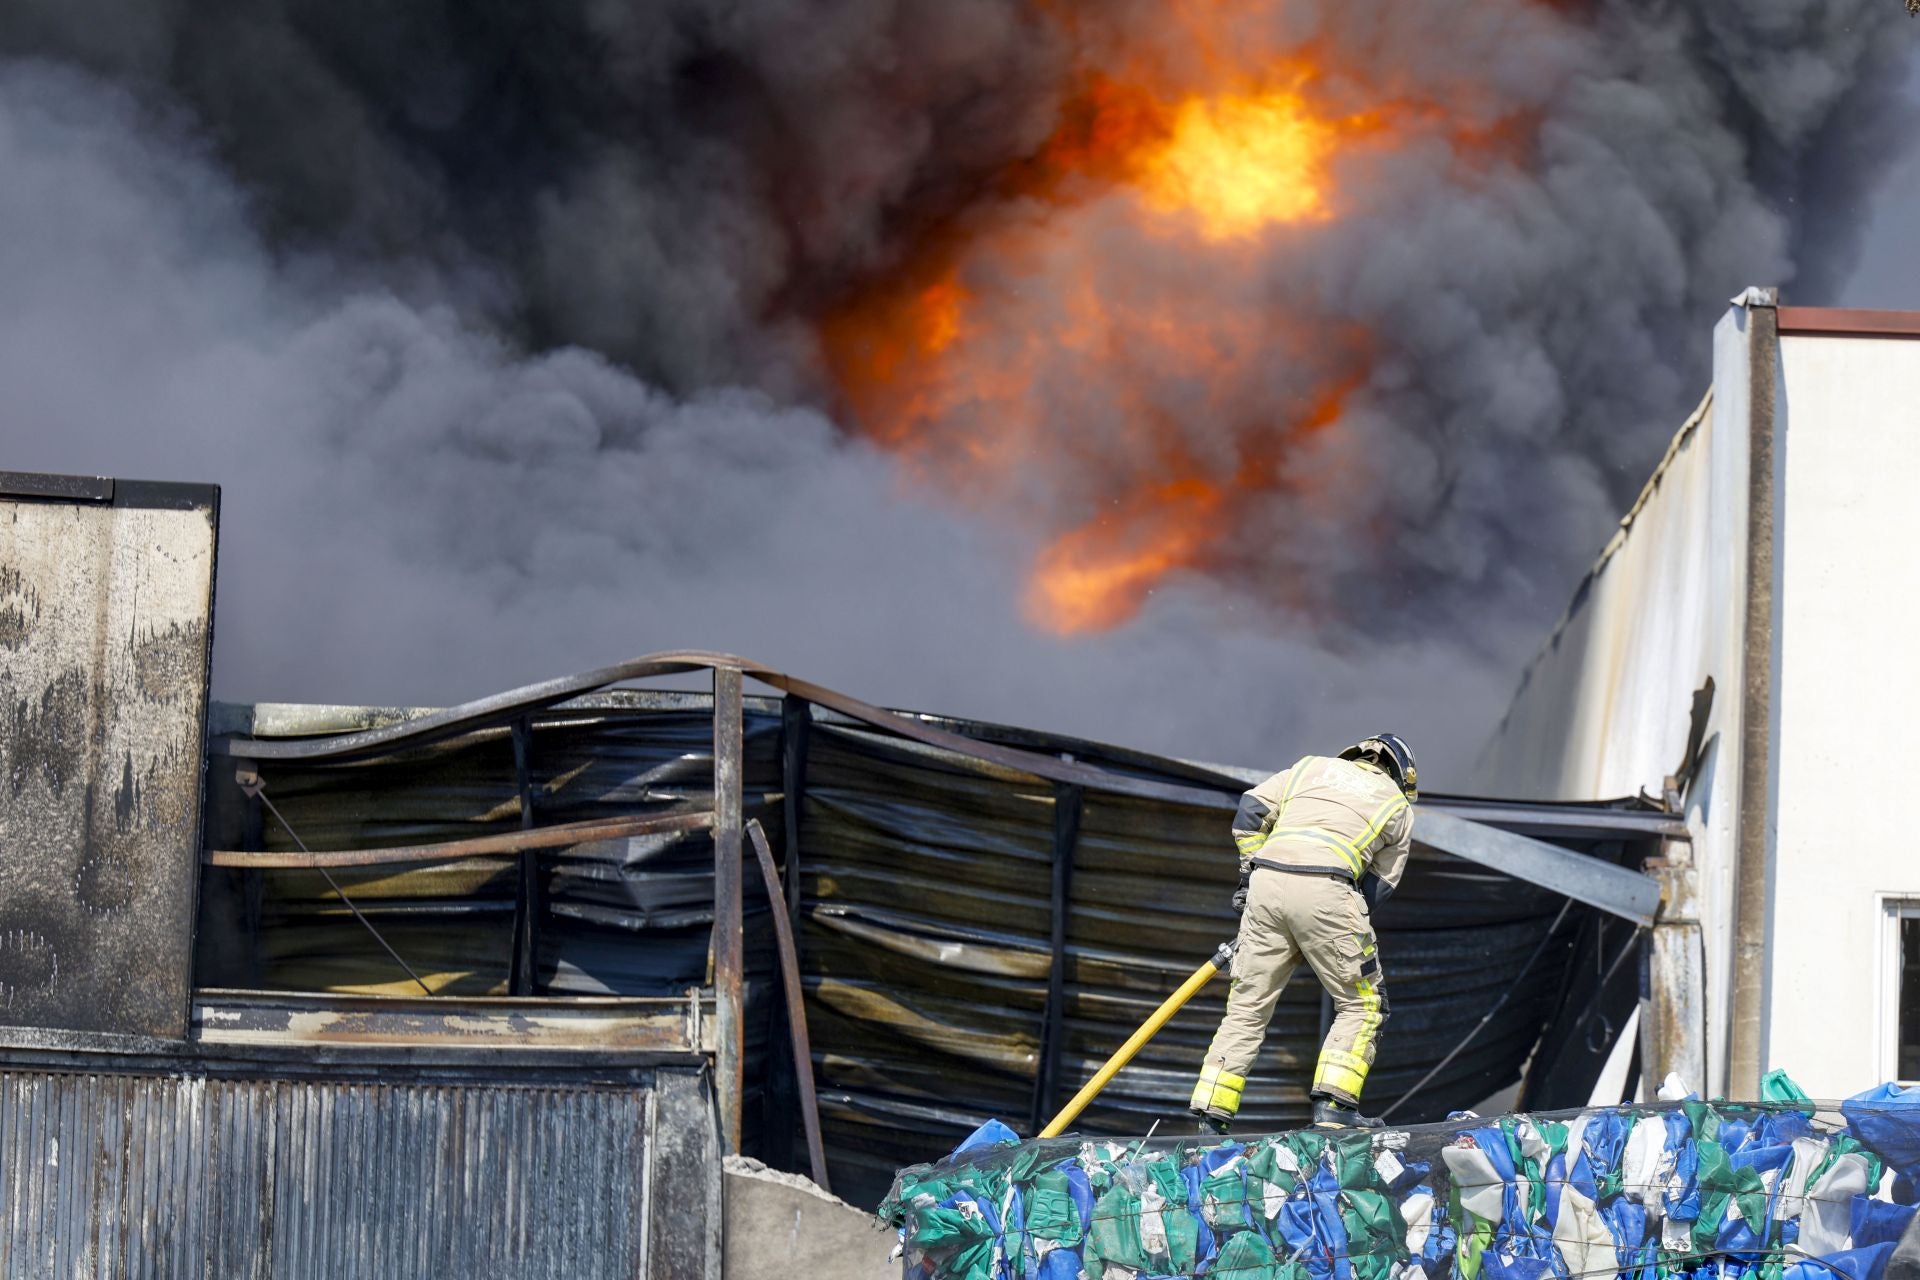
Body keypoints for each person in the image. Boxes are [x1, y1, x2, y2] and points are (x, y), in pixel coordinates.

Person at [1188, 734, 1417, 1133]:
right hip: (1329, 889)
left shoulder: (1309, 766)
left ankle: (1211, 1118)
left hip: (1266, 884)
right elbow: (1379, 886)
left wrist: (1250, 871)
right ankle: (1334, 1108)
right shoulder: (1397, 804)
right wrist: (1332, 927)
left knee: (1246, 1008)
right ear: (1400, 775)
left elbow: (1251, 809)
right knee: (1363, 1004)